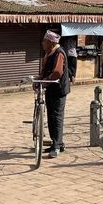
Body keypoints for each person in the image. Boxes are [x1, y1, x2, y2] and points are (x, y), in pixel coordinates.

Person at [40, 30, 70, 158]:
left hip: (58, 90)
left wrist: (45, 81)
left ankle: (57, 146)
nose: (42, 44)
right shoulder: (49, 53)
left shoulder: (59, 53)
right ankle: (56, 143)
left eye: (44, 41)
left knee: (56, 117)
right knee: (51, 117)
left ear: (51, 43)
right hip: (51, 89)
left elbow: (57, 72)